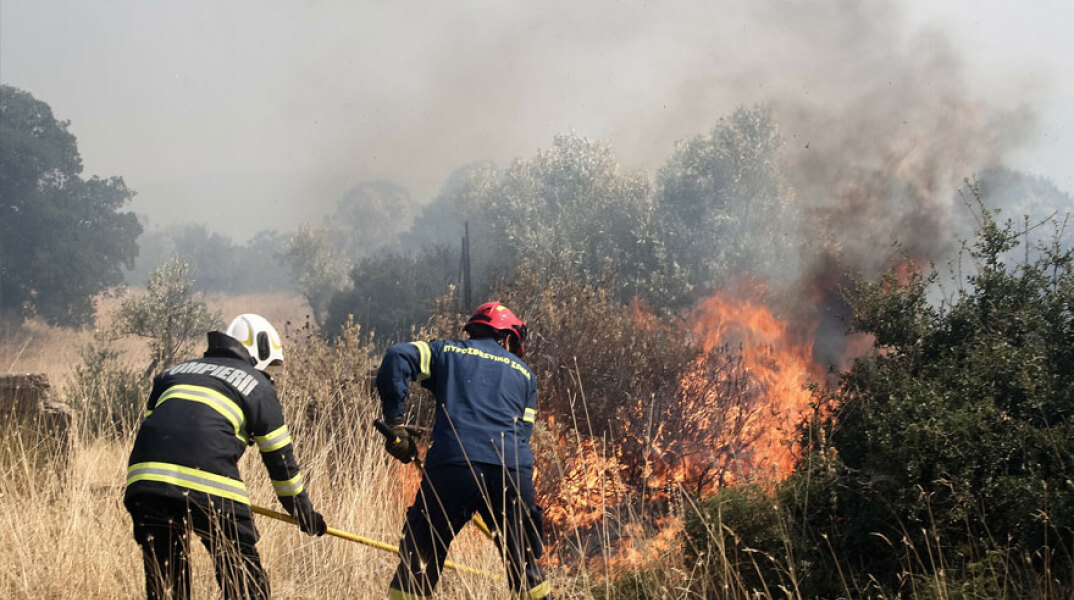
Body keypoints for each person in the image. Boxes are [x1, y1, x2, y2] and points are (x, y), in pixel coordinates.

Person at [124, 313, 326, 600]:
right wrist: (303, 512)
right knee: (243, 581)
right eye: (270, 367)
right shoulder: (257, 385)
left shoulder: (170, 374)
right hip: (209, 485)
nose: (269, 375)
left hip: (145, 483)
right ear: (261, 351)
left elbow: (157, 429)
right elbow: (280, 461)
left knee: (166, 584)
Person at [377, 301, 552, 600]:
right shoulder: (526, 376)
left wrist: (395, 422)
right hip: (511, 472)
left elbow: (397, 356)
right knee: (525, 567)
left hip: (454, 467)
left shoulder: (447, 352)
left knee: (420, 562)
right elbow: (523, 433)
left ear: (474, 331)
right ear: (507, 338)